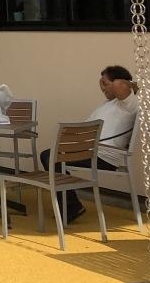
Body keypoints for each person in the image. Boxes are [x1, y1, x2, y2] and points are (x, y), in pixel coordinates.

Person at [40, 65, 139, 223]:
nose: (102, 88)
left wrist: (131, 84)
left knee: (50, 157)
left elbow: (119, 84)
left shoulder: (129, 103)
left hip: (103, 157)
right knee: (49, 156)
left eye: (104, 83)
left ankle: (71, 206)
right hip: (92, 152)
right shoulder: (107, 104)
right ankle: (70, 204)